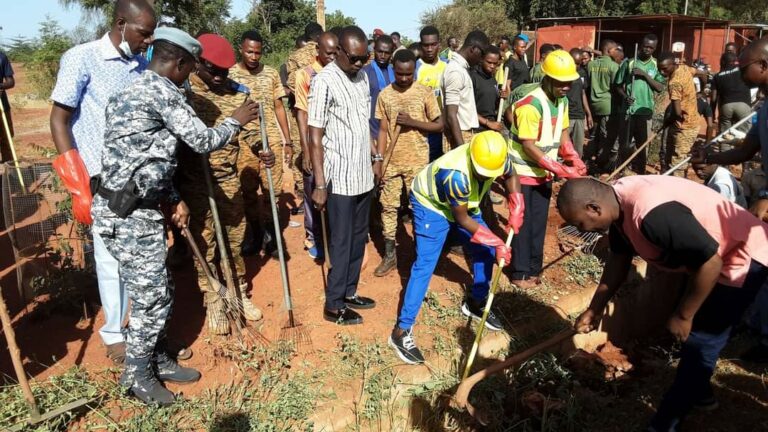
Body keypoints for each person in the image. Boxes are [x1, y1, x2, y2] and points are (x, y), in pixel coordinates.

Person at [92, 27, 263, 406]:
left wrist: (172, 198)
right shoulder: (160, 93)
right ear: (182, 62)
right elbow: (202, 141)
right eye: (189, 67)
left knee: (162, 288)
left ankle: (158, 357)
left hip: (142, 205)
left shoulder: (130, 88)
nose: (190, 75)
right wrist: (236, 119)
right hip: (129, 214)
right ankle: (138, 376)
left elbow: (146, 157)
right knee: (151, 297)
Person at [557, 176, 768, 430]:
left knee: (702, 342)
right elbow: (618, 259)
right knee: (698, 337)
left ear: (594, 208)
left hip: (743, 255)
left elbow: (711, 263)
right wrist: (595, 307)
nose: (583, 230)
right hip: (714, 257)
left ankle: (665, 423)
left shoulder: (651, 213)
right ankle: (700, 393)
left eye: (580, 223)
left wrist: (683, 315)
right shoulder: (617, 203)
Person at [49, 0, 164, 365]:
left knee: (140, 258)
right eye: (144, 33)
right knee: (111, 260)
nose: (149, 41)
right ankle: (115, 332)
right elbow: (58, 120)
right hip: (100, 180)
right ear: (120, 24)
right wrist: (78, 184)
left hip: (137, 181)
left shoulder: (141, 65)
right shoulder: (81, 58)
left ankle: (141, 331)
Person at [389, 132, 522, 363]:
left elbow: (511, 174)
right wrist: (497, 241)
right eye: (483, 173)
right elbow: (461, 219)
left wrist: (516, 202)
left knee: (485, 252)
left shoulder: (496, 157)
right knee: (425, 265)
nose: (487, 176)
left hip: (464, 204)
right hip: (431, 205)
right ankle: (401, 331)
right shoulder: (455, 175)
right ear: (473, 158)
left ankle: (475, 303)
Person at [176, 33, 264, 335]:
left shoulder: (238, 94)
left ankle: (238, 291)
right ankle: (213, 296)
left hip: (227, 179)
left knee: (235, 238)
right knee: (206, 242)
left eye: (224, 71)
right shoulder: (184, 95)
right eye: (212, 69)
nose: (218, 76)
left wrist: (259, 148)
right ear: (198, 63)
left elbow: (249, 132)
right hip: (194, 181)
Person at [308, 26, 377, 325]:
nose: (361, 64)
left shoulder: (362, 77)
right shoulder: (324, 81)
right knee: (341, 241)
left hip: (363, 173)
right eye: (355, 58)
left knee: (359, 237)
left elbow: (364, 123)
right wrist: (320, 183)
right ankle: (333, 304)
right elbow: (314, 134)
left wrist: (375, 157)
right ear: (338, 52)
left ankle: (349, 292)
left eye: (365, 58)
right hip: (339, 178)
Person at [506, 49, 586, 288]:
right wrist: (560, 169)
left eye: (569, 83)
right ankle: (520, 273)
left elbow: (562, 134)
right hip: (522, 174)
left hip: (543, 174)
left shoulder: (561, 101)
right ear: (548, 78)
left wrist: (572, 157)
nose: (566, 87)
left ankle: (533, 268)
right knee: (523, 222)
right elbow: (528, 146)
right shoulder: (532, 104)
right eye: (561, 83)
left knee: (539, 223)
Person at [373, 49, 442, 277]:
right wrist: (379, 160)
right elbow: (382, 130)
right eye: (400, 73)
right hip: (391, 163)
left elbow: (439, 125)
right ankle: (390, 254)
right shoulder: (385, 95)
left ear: (414, 71)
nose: (404, 78)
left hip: (417, 162)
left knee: (419, 209)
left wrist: (412, 122)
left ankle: (422, 255)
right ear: (394, 69)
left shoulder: (425, 92)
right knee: (389, 208)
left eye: (409, 74)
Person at [230, 31, 294, 259]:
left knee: (271, 191)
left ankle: (271, 237)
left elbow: (279, 107)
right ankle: (254, 234)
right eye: (249, 51)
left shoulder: (271, 74)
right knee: (247, 191)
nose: (254, 56)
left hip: (271, 141)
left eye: (258, 52)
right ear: (241, 48)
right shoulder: (230, 75)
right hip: (244, 142)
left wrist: (287, 140)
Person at [295, 32, 338, 259]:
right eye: (328, 53)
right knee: (313, 190)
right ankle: (313, 236)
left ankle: (333, 237)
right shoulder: (305, 75)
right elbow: (302, 114)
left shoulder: (340, 72)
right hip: (315, 142)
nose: (333, 57)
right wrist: (307, 150)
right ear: (318, 52)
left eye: (335, 52)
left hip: (336, 142)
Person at [614, 34, 665, 174]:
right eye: (645, 46)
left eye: (651, 47)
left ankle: (641, 173)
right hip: (629, 111)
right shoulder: (629, 63)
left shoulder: (656, 65)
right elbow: (617, 85)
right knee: (624, 145)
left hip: (645, 112)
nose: (647, 49)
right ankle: (621, 171)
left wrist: (644, 75)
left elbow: (660, 87)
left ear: (654, 48)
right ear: (640, 46)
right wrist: (625, 97)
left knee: (643, 147)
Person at [442, 30, 489, 149]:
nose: (482, 59)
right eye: (482, 54)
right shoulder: (455, 71)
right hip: (459, 137)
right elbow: (451, 115)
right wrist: (461, 150)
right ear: (473, 49)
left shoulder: (462, 69)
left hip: (465, 135)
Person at [658, 52, 702, 176]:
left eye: (665, 69)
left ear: (673, 64)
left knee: (677, 164)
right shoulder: (684, 68)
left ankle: (678, 189)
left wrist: (668, 120)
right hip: (686, 122)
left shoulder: (674, 83)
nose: (662, 72)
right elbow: (701, 73)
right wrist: (701, 91)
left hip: (685, 126)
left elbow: (677, 112)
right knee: (672, 156)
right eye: (659, 69)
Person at [585, 39, 621, 172]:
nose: (617, 52)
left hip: (593, 104)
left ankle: (589, 160)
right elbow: (616, 87)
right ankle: (603, 163)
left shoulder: (590, 65)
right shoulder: (613, 66)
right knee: (606, 136)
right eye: (616, 50)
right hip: (608, 106)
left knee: (594, 135)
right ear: (610, 51)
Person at [416, 25, 448, 161]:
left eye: (433, 45)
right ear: (420, 46)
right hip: (424, 130)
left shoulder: (447, 66)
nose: (429, 49)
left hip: (445, 130)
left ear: (439, 45)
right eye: (426, 45)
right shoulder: (416, 68)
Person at [711, 52, 753, 150]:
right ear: (735, 61)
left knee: (725, 135)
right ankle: (743, 161)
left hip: (726, 106)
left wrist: (712, 113)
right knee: (744, 135)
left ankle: (725, 163)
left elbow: (713, 98)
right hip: (743, 105)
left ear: (723, 61)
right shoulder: (742, 70)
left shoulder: (717, 76)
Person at [363, 35, 395, 144]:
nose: (382, 55)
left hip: (392, 132)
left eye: (387, 53)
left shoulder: (396, 73)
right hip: (372, 133)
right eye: (380, 51)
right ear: (374, 50)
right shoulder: (364, 73)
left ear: (392, 53)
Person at [470, 45, 505, 133]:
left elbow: (492, 104)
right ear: (481, 59)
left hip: (492, 128)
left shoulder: (492, 79)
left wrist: (502, 97)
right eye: (489, 62)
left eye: (495, 63)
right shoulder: (472, 78)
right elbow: (467, 108)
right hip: (477, 130)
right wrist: (487, 123)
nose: (492, 66)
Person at [566, 48, 593, 157]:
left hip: (579, 115)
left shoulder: (581, 73)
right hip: (566, 116)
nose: (577, 66)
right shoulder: (563, 74)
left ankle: (576, 171)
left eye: (579, 63)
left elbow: (582, 94)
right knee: (563, 146)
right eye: (575, 63)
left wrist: (588, 114)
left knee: (578, 149)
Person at [287, 22, 324, 92]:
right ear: (320, 35)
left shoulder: (294, 56)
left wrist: (304, 94)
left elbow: (291, 82)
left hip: (303, 99)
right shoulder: (326, 52)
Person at [0, 49, 15, 163]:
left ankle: (9, 171)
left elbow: (10, 82)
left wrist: (1, 85)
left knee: (7, 139)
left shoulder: (2, 57)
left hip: (2, 106)